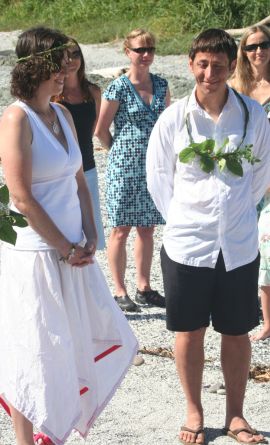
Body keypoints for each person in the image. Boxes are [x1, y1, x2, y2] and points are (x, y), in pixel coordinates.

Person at [0, 26, 137, 445]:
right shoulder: (15, 117)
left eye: (67, 63)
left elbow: (80, 179)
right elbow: (21, 197)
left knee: (72, 345)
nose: (66, 71)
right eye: (56, 64)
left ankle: (52, 433)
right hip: (36, 255)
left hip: (74, 251)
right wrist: (63, 246)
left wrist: (91, 234)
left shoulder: (60, 113)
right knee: (34, 351)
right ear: (33, 65)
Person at [146, 28, 270, 445]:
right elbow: (159, 179)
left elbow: (258, 178)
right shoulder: (174, 118)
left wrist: (232, 216)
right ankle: (194, 411)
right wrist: (187, 219)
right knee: (189, 331)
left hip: (237, 244)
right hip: (187, 245)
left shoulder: (252, 115)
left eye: (219, 65)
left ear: (231, 66)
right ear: (190, 65)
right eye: (202, 65)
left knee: (236, 331)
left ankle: (236, 415)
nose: (210, 74)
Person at [95, 28, 170, 312]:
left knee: (147, 228)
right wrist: (120, 150)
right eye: (140, 50)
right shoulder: (117, 87)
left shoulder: (161, 85)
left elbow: (166, 125)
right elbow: (101, 130)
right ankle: (120, 290)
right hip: (124, 167)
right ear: (128, 52)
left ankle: (144, 286)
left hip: (153, 166)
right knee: (120, 229)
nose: (146, 54)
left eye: (150, 49)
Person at [230, 25, 270, 341]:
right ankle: (247, 303)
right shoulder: (235, 88)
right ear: (242, 51)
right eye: (252, 46)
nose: (258, 51)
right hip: (242, 173)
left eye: (264, 45)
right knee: (243, 240)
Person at [53, 37, 105, 250]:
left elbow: (93, 129)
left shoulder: (93, 92)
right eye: (65, 57)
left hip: (88, 168)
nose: (71, 61)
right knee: (64, 228)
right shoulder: (53, 95)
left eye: (75, 54)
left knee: (91, 234)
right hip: (61, 172)